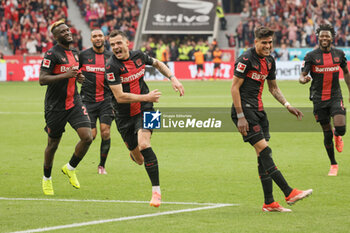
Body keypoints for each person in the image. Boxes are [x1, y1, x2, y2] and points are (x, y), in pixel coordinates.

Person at [231, 26, 312, 212]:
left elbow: (273, 88)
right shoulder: (245, 59)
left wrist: (287, 105)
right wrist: (241, 116)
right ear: (255, 42)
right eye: (264, 43)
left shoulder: (270, 61)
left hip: (260, 111)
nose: (268, 46)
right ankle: (289, 192)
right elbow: (234, 88)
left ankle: (269, 203)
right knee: (265, 151)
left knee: (262, 157)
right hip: (245, 111)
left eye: (270, 42)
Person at [105, 30, 184, 207]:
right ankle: (136, 156)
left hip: (147, 108)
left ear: (127, 43)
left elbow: (157, 63)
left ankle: (156, 192)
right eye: (113, 45)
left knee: (145, 144)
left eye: (119, 43)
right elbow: (119, 97)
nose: (116, 47)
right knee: (140, 159)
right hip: (123, 116)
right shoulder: (111, 67)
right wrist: (146, 97)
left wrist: (173, 78)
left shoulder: (139, 56)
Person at [39, 20, 93, 195]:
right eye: (63, 31)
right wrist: (65, 75)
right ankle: (47, 178)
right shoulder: (51, 54)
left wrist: (78, 78)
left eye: (68, 30)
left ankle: (70, 167)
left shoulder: (75, 53)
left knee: (88, 137)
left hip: (74, 102)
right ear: (55, 37)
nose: (68, 33)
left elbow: (73, 74)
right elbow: (42, 79)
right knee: (53, 144)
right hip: (55, 106)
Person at [300, 24, 350, 176]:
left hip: (335, 96)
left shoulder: (340, 54)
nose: (324, 38)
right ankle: (333, 164)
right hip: (319, 99)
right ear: (318, 37)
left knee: (341, 128)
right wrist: (303, 79)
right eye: (322, 36)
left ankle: (338, 134)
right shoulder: (311, 56)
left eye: (327, 36)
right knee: (326, 134)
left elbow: (346, 73)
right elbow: (302, 75)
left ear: (331, 37)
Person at [79, 29, 114, 175]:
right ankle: (74, 163)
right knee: (91, 135)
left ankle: (101, 166)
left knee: (105, 133)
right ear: (91, 39)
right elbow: (74, 71)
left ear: (104, 38)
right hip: (87, 100)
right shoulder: (83, 56)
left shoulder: (111, 56)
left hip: (107, 100)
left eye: (100, 36)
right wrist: (77, 77)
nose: (98, 38)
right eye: (94, 36)